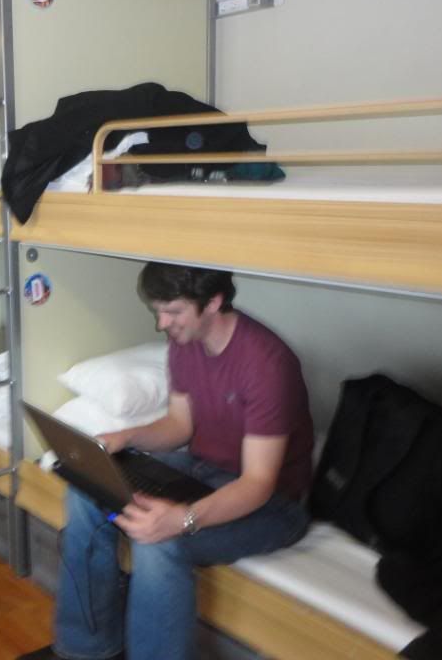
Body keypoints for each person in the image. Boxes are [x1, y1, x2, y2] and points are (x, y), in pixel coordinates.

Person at [20, 263, 314, 660]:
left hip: (272, 505)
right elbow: (179, 425)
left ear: (214, 302)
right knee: (89, 495)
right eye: (158, 310)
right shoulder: (185, 341)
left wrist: (182, 519)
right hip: (201, 471)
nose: (162, 323)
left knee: (159, 541)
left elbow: (257, 483)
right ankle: (88, 649)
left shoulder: (266, 364)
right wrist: (126, 437)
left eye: (172, 311)